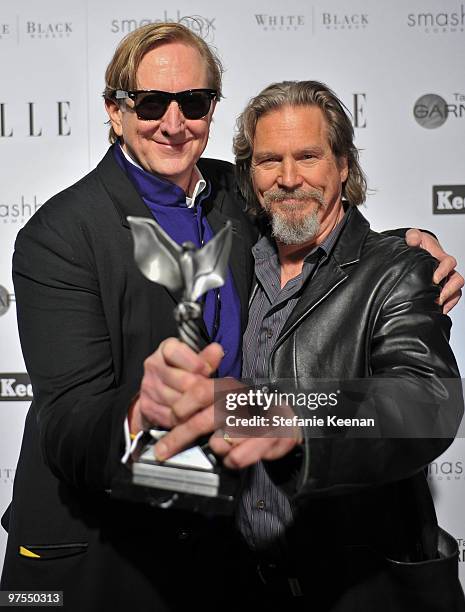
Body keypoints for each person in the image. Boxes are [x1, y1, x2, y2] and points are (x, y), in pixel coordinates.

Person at [0, 22, 462, 612]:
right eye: (150, 103)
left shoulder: (229, 193)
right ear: (115, 111)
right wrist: (138, 415)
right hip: (104, 557)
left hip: (228, 561)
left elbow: (314, 221)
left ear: (211, 109)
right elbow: (67, 419)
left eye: (193, 102)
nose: (174, 122)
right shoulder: (58, 234)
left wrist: (401, 251)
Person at [142, 80, 465, 611]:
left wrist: (300, 420)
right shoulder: (235, 258)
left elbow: (424, 403)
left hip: (359, 589)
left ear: (343, 166)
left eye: (308, 157)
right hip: (239, 585)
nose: (289, 179)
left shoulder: (397, 270)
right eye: (270, 160)